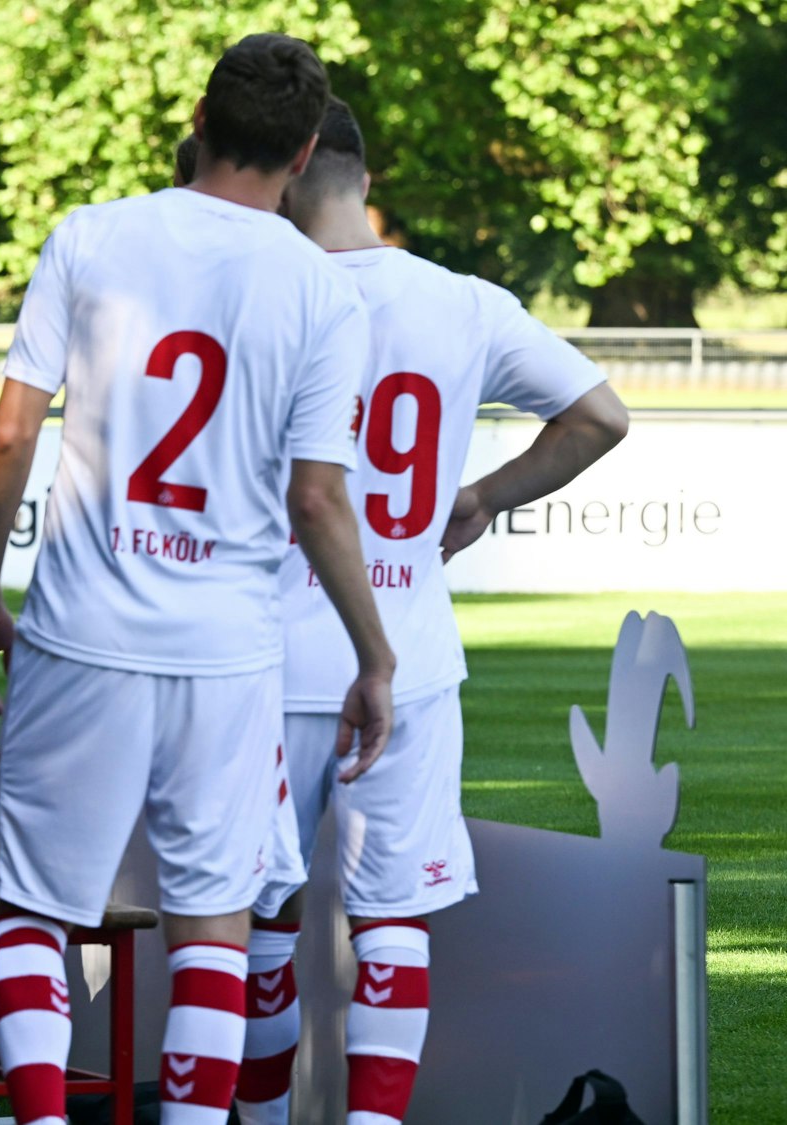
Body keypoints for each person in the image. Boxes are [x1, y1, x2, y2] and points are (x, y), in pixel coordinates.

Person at [0, 35, 397, 1125]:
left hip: (78, 630)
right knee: (213, 925)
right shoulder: (321, 290)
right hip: (225, 652)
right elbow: (316, 500)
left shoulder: (93, 235)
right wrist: (374, 657)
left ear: (198, 115)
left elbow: (11, 437)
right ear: (303, 152)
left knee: (32, 912)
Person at [233, 98, 629, 1125]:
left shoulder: (252, 290)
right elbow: (598, 416)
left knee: (258, 920)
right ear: (363, 175)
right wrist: (486, 494)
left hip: (265, 656)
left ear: (287, 168)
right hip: (407, 652)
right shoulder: (461, 301)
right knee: (392, 920)